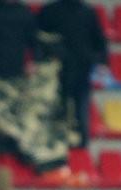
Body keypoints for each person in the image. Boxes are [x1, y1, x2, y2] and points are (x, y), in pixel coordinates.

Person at [37, 0, 109, 147]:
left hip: (81, 71)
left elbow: (99, 39)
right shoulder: (50, 11)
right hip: (54, 74)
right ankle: (54, 147)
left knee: (81, 113)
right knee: (56, 113)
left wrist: (102, 61)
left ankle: (81, 149)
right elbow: (37, 38)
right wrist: (42, 58)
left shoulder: (88, 12)